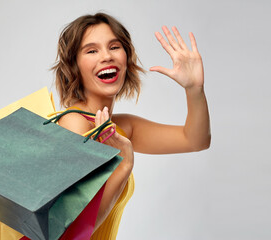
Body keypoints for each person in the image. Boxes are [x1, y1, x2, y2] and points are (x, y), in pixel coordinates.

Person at [52, 12, 211, 239]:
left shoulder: (122, 127)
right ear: (74, 65)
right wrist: (124, 165)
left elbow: (196, 140)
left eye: (114, 47)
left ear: (126, 57)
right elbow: (67, 234)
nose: (106, 56)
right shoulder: (74, 125)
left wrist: (194, 89)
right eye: (92, 50)